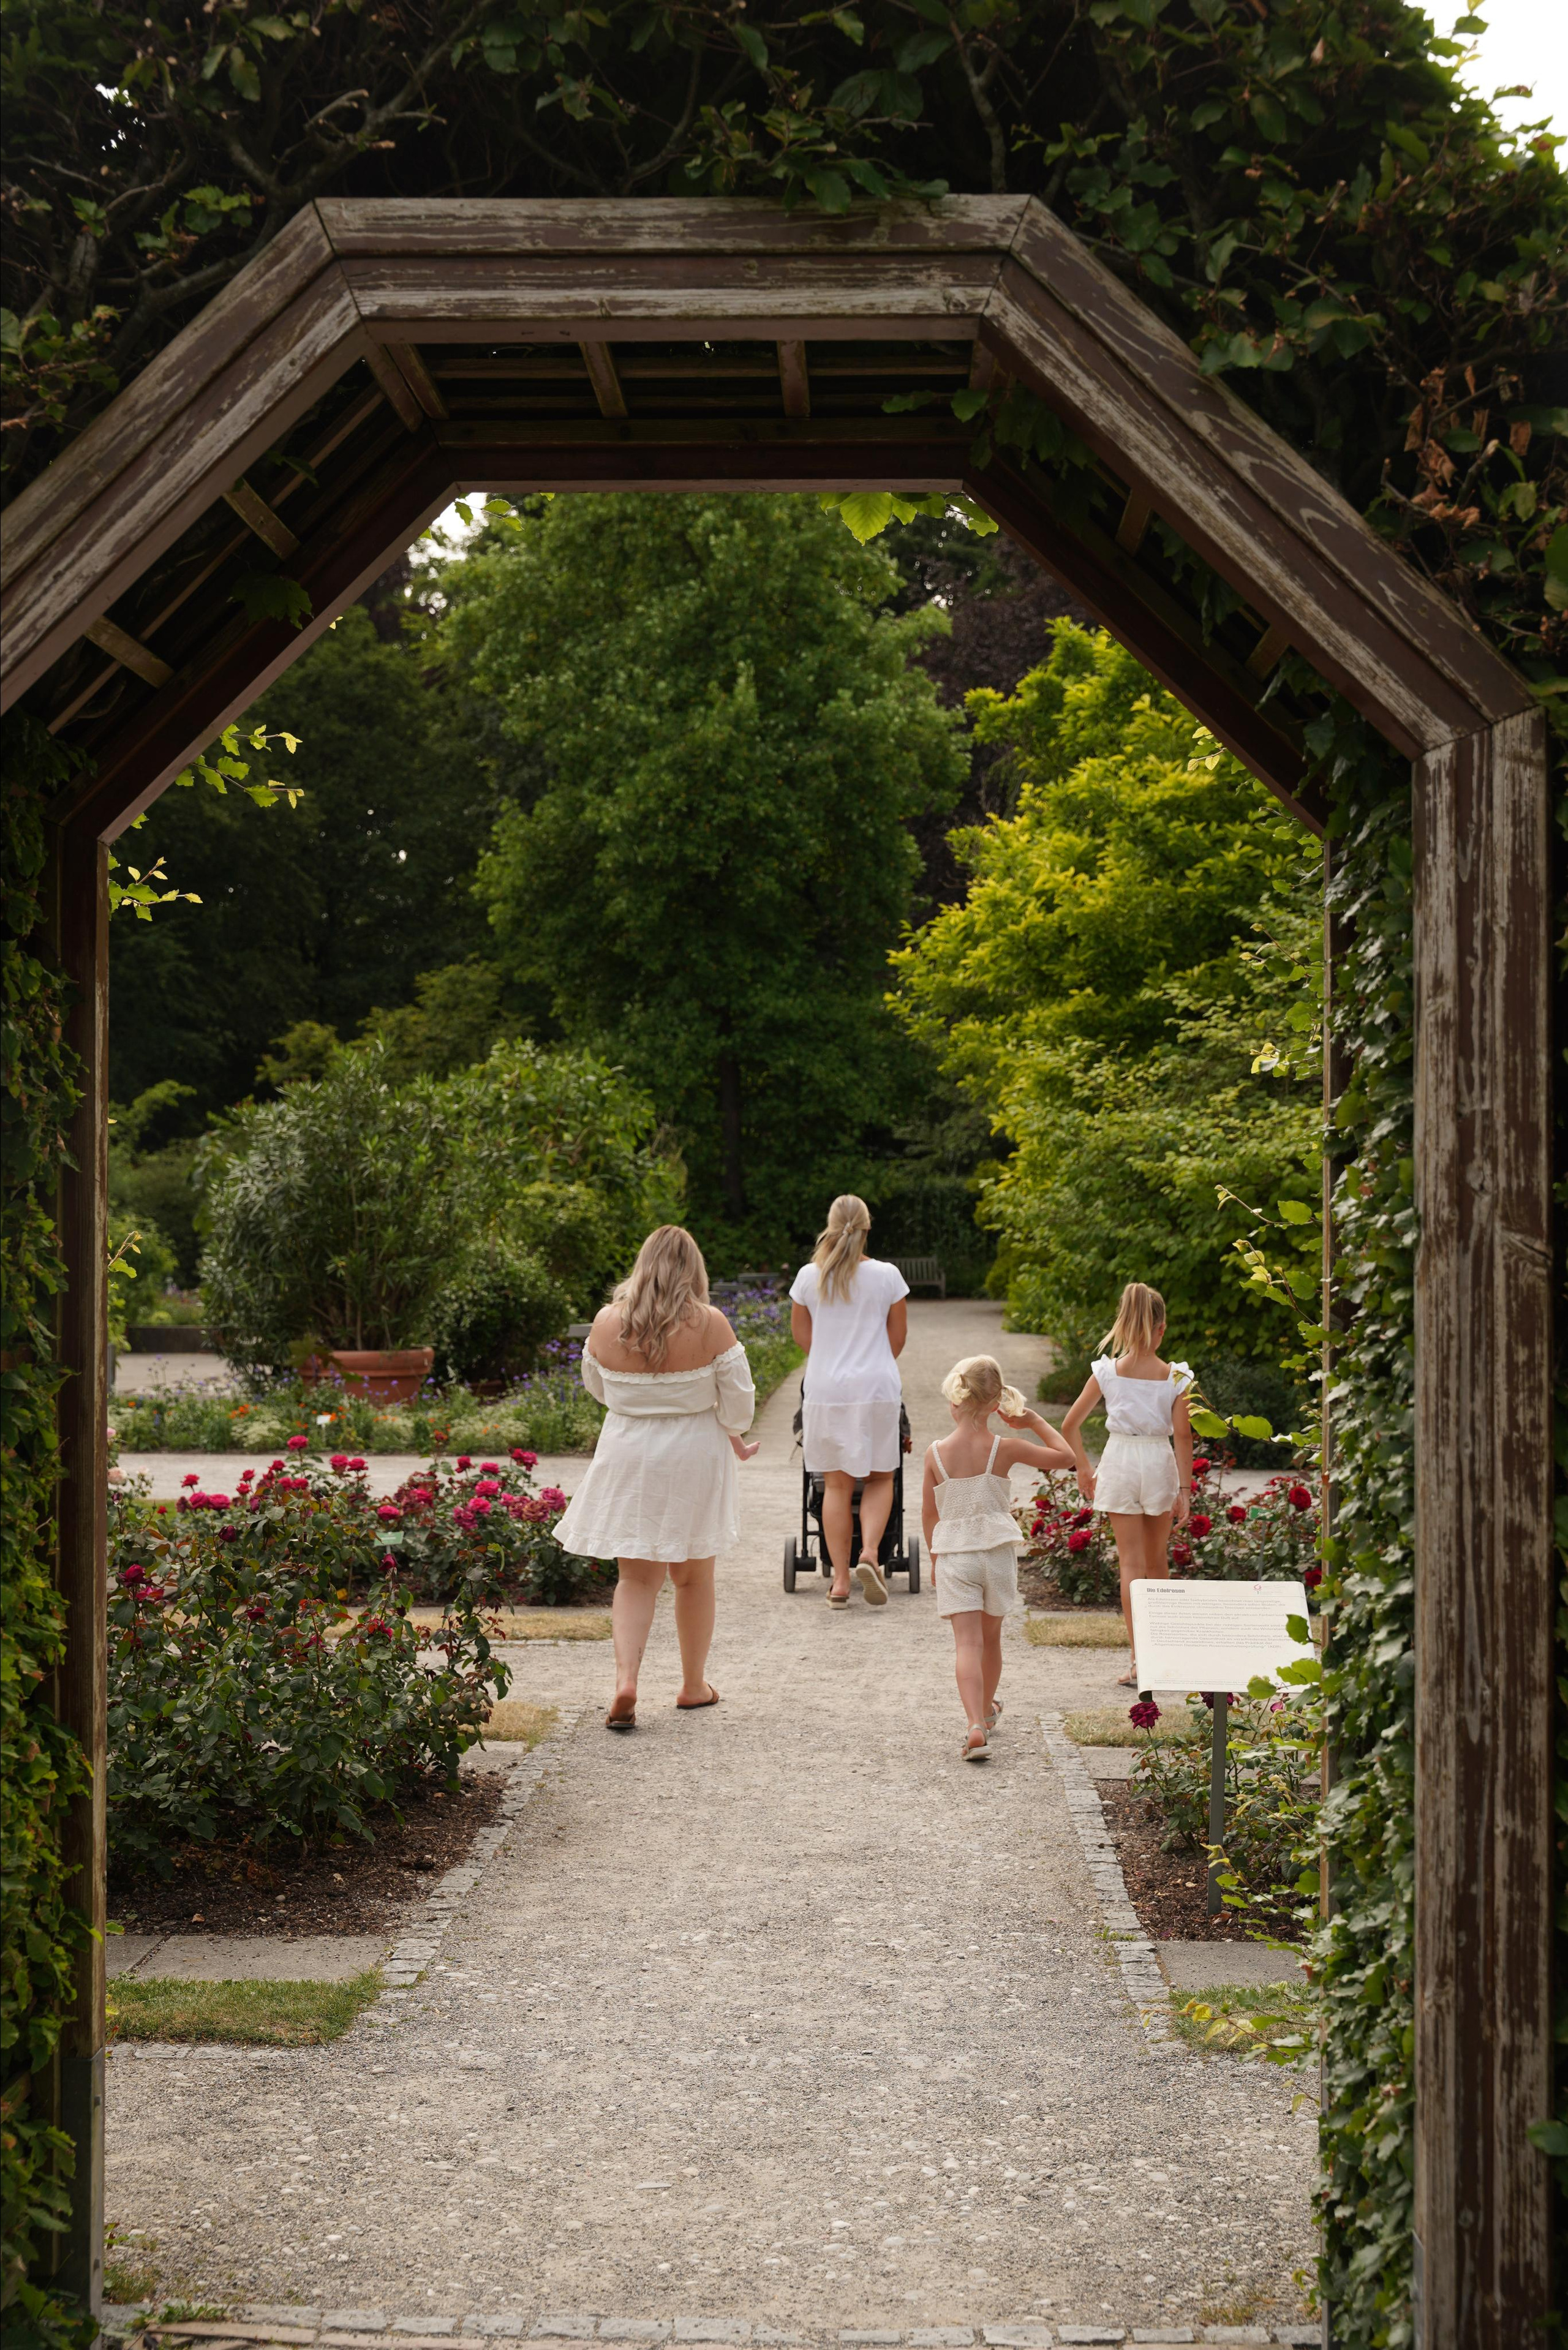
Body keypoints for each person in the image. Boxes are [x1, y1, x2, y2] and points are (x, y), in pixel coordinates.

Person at [553, 1226, 756, 1731]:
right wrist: (727, 1427)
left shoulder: (606, 1323)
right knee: (693, 1577)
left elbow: (598, 1388)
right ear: (694, 1269)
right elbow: (739, 1404)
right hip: (694, 1455)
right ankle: (692, 1685)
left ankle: (627, 1680)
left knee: (636, 1578)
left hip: (628, 1452)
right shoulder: (710, 1324)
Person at [923, 1355, 1074, 1760]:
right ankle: (988, 1712)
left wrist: (935, 1560)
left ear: (955, 1400)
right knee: (990, 1640)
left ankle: (975, 1723)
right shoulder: (1005, 1448)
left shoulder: (935, 1454)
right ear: (996, 1403)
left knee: (966, 1644)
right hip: (996, 1555)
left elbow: (929, 1514)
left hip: (956, 1555)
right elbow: (1066, 1457)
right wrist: (1034, 1422)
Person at [1060, 1280, 1194, 1689]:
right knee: (1157, 1565)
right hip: (1157, 1462)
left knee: (1131, 1566)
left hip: (1119, 1461)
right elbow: (1184, 1437)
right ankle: (1163, 1657)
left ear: (1124, 1322)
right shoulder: (1177, 1377)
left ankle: (1138, 1661)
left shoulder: (1106, 1373)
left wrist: (1083, 1468)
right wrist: (1185, 1490)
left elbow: (1069, 1425)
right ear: (1162, 1328)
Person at [789, 1195, 908, 1608]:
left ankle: (840, 1581)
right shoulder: (888, 1276)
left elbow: (802, 1338)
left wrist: (831, 1359)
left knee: (835, 1486)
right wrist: (869, 1362)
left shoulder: (808, 1277)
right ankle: (871, 1553)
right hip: (876, 1386)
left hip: (826, 1388)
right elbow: (897, 1339)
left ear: (830, 1225)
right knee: (879, 1478)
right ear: (868, 1227)